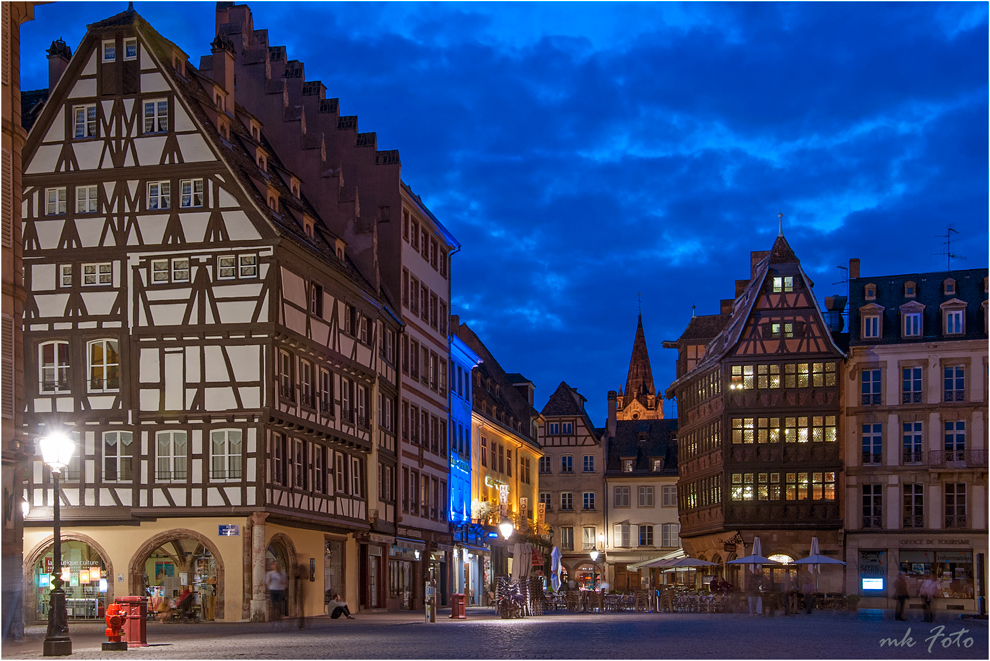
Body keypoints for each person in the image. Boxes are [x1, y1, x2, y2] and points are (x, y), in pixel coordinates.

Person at [293, 562, 307, 629]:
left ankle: (301, 623)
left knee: (300, 608)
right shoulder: (297, 578)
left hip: (300, 593)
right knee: (299, 608)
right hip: (297, 593)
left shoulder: (301, 579)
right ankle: (300, 622)